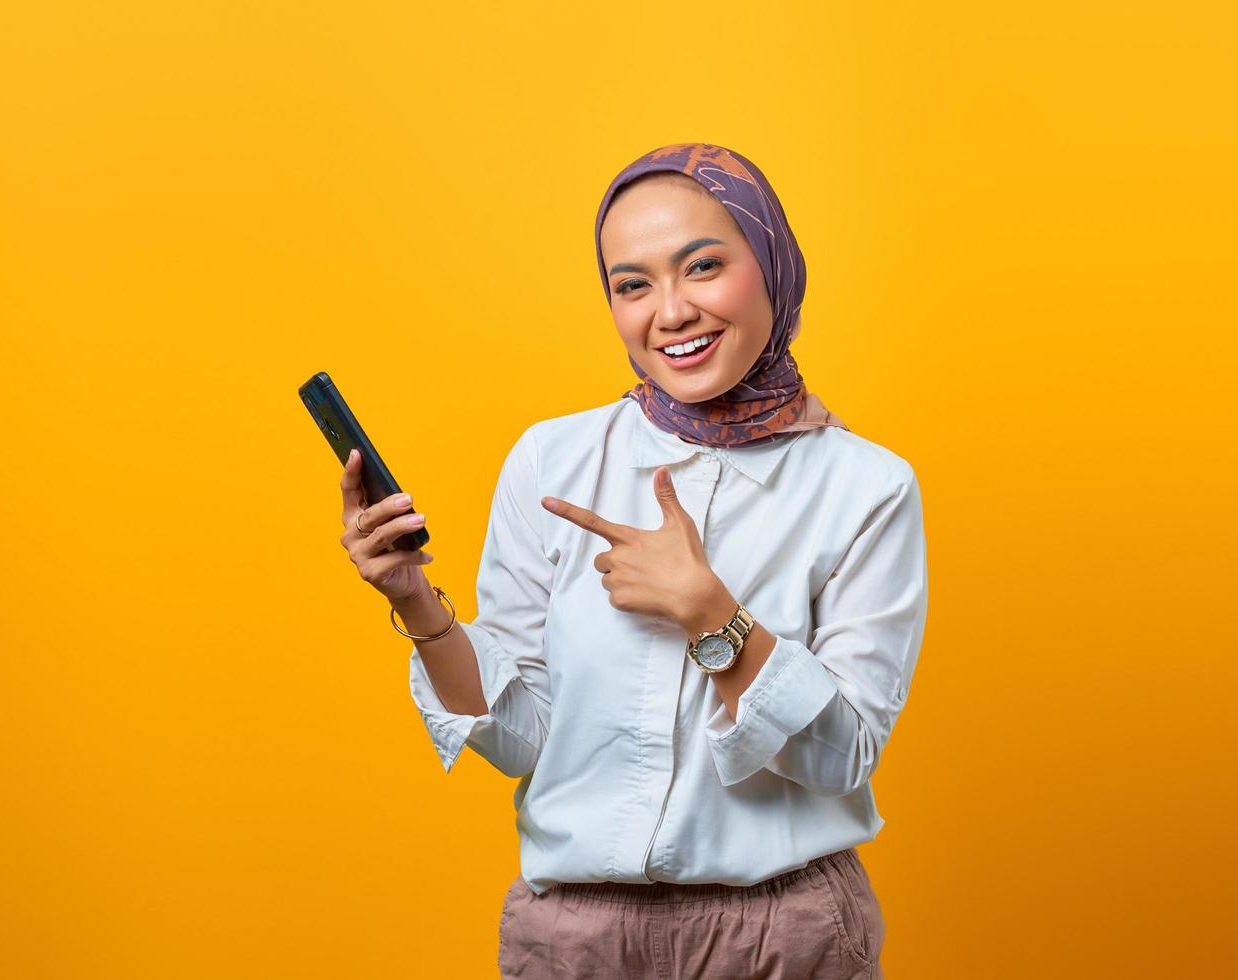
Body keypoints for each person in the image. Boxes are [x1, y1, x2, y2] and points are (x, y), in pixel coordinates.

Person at [338, 142, 928, 979]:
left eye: (703, 267)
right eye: (632, 284)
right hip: (574, 941)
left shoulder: (867, 486)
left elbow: (842, 758)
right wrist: (417, 606)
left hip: (782, 936)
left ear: (770, 264)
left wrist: (710, 615)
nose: (671, 311)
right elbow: (523, 739)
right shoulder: (552, 461)